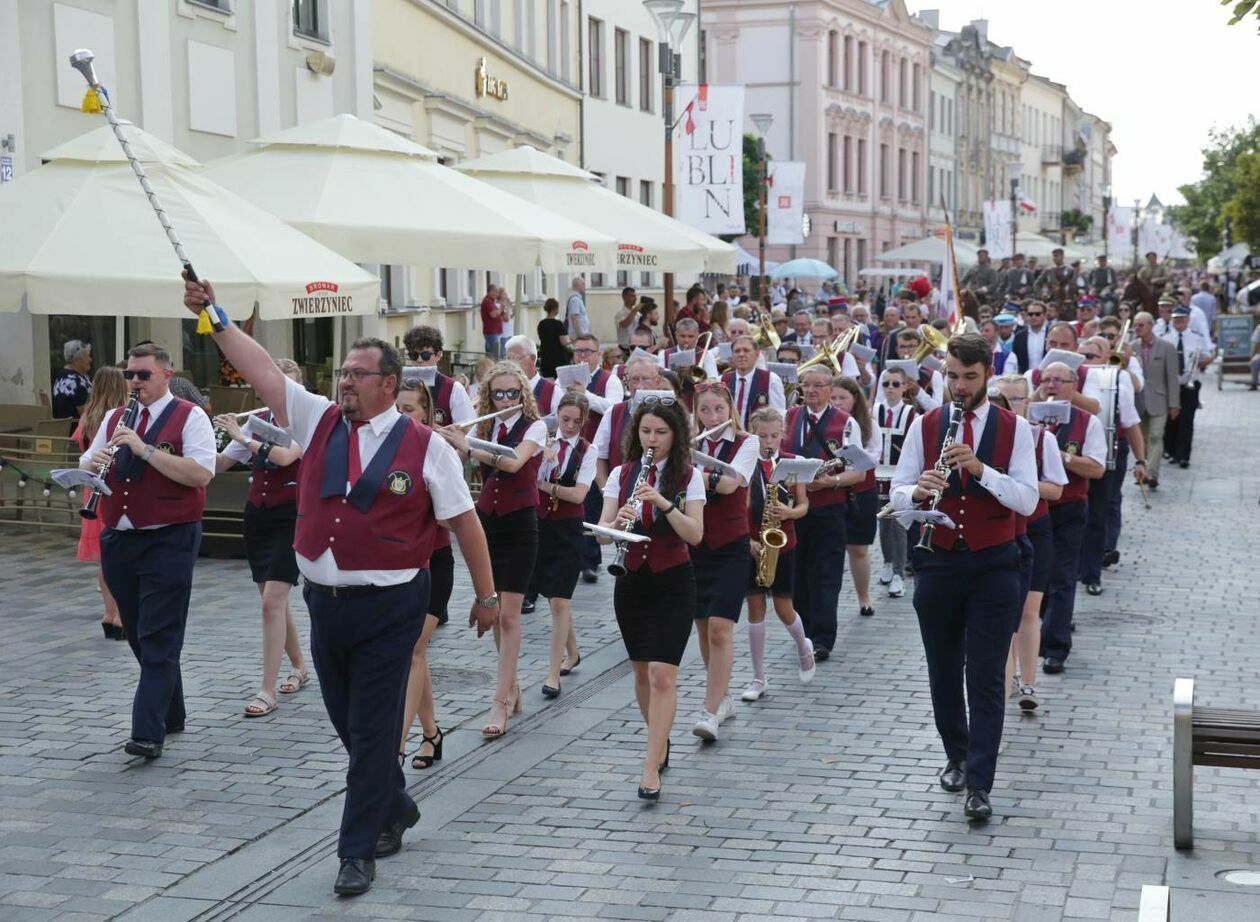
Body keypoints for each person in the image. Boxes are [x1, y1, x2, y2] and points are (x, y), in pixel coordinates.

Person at [185, 273, 498, 897]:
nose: (345, 381)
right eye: (343, 373)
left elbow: (464, 521)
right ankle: (397, 803)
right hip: (324, 604)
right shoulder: (317, 417)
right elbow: (262, 372)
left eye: (357, 374)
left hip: (390, 605)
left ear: (390, 384)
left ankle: (356, 852)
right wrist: (215, 317)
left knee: (375, 729)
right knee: (349, 725)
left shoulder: (427, 447)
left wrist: (486, 597)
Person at [888, 333, 1039, 821]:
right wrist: (916, 494)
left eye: (969, 378)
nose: (958, 386)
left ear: (987, 373)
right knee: (943, 668)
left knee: (986, 676)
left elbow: (1028, 500)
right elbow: (896, 493)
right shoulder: (926, 424)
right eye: (952, 375)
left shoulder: (1015, 429)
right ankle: (955, 753)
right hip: (938, 563)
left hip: (995, 564)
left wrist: (981, 470)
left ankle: (980, 782)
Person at [78, 343, 216, 759]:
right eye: (130, 375)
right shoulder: (114, 417)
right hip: (120, 536)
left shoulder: (191, 417)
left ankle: (147, 731)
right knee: (137, 632)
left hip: (169, 536)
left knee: (159, 633)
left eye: (143, 374)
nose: (135, 382)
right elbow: (86, 459)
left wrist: (144, 449)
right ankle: (171, 711)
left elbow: (200, 473)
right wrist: (93, 460)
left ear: (166, 374)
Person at [595, 395, 705, 799]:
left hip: (674, 579)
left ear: (675, 436)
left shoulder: (688, 476)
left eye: (661, 432)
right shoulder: (622, 474)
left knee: (663, 674)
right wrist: (617, 523)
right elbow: (603, 529)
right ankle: (659, 741)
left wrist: (661, 503)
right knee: (642, 673)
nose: (652, 439)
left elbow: (695, 534)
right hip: (632, 581)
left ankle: (649, 764)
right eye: (645, 431)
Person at [440, 361, 544, 739]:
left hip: (519, 525)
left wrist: (470, 446)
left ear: (522, 394)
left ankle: (499, 702)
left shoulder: (536, 426)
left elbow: (515, 463)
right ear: (488, 396)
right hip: (487, 523)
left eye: (512, 393)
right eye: (497, 393)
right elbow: (461, 463)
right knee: (495, 611)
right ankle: (511, 685)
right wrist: (449, 442)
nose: (505, 399)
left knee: (511, 616)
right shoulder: (485, 426)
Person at [214, 359, 309, 718]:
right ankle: (299, 666)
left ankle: (267, 689)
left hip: (291, 517)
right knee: (275, 603)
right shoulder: (259, 423)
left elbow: (286, 457)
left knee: (272, 602)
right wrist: (202, 440)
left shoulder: (306, 422)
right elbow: (220, 465)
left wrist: (243, 436)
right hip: (258, 516)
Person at [689, 381, 759, 741]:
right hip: (696, 542)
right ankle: (723, 696)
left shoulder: (747, 442)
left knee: (720, 627)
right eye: (705, 410)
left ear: (729, 408)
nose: (712, 417)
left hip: (731, 544)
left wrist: (687, 473)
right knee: (702, 627)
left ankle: (710, 709)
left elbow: (732, 483)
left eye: (718, 409)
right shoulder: (692, 444)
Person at [993, 374, 1066, 712]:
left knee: (1028, 612)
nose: (1009, 405)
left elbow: (1056, 489)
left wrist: (1020, 483)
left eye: (1017, 399)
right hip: (999, 530)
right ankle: (1004, 684)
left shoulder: (1040, 438)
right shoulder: (986, 439)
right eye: (1002, 398)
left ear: (1027, 401)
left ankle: (1029, 685)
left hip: (1034, 528)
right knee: (1003, 615)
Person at [782, 365, 863, 661]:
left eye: (818, 385)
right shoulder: (788, 418)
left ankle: (823, 639)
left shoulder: (846, 423)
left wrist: (833, 481)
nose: (811, 391)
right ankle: (803, 633)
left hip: (829, 509)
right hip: (795, 509)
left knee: (825, 574)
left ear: (830, 389)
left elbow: (860, 470)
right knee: (797, 573)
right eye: (806, 385)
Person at [392, 380, 452, 772]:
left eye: (409, 409)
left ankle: (395, 749)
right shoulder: (379, 446)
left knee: (411, 650)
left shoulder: (435, 448)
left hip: (435, 560)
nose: (401, 415)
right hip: (397, 565)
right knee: (417, 653)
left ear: (426, 414)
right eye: (397, 407)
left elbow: (453, 517)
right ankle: (431, 732)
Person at [1033, 361, 1106, 675]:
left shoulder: (1087, 422)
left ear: (1074, 386)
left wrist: (1059, 454)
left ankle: (1055, 647)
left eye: (1058, 380)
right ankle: (1039, 632)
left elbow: (1097, 468)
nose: (1051, 386)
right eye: (1046, 380)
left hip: (1069, 508)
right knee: (1038, 578)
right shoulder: (1028, 418)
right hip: (1034, 509)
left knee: (1062, 578)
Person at [740, 407, 815, 702]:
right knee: (754, 608)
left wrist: (788, 512)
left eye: (774, 435)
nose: (768, 441)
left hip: (783, 543)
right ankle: (759, 678)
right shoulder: (745, 464)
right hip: (753, 543)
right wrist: (748, 540)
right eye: (762, 436)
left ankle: (803, 647)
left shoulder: (793, 463)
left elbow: (804, 506)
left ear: (782, 434)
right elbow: (738, 508)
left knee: (784, 609)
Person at [531, 393, 596, 697]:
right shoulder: (542, 443)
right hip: (541, 525)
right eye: (564, 419)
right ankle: (573, 652)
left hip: (568, 530)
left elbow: (579, 495)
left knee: (560, 600)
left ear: (584, 422)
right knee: (553, 596)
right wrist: (541, 464)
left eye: (575, 421)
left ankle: (553, 673)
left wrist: (544, 485)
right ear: (556, 415)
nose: (569, 426)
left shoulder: (588, 451)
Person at [72, 366, 128, 639]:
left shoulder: (88, 416)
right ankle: (120, 616)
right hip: (114, 487)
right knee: (119, 554)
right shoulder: (123, 417)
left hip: (90, 484)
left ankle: (108, 614)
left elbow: (83, 450)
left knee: (105, 557)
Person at [566, 333, 625, 584]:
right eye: (578, 351)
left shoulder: (609, 379)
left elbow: (613, 407)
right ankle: (574, 557)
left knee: (591, 506)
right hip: (570, 448)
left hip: (595, 450)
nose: (582, 356)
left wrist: (585, 394)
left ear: (598, 354)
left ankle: (590, 562)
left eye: (587, 351)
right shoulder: (565, 378)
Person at [829, 375, 880, 618]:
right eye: (833, 398)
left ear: (854, 399)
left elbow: (873, 455)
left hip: (861, 491)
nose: (838, 402)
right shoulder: (827, 422)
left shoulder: (866, 421)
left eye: (843, 398)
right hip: (833, 491)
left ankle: (864, 596)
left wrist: (848, 456)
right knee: (831, 549)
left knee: (858, 548)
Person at [872, 367, 915, 599]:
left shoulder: (910, 413)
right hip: (879, 475)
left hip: (901, 475)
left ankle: (899, 573)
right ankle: (888, 562)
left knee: (899, 524)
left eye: (895, 384)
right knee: (884, 522)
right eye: (886, 383)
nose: (890, 388)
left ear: (905, 386)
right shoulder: (875, 410)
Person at [1131, 311, 1180, 489]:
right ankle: (1142, 471)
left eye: (1141, 325)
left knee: (1156, 436)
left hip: (1159, 400)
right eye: (1135, 325)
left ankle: (1152, 474)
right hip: (1138, 402)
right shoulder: (1131, 347)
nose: (1137, 328)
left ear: (1151, 326)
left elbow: (1172, 378)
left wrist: (1174, 403)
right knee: (1141, 439)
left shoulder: (1166, 347)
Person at [1161, 305, 1213, 469]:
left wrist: (1198, 362)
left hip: (1190, 384)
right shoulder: (1165, 338)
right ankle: (1171, 452)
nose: (1179, 322)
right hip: (1171, 384)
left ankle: (1184, 456)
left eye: (1182, 319)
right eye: (1176, 319)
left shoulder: (1197, 338)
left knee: (1187, 421)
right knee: (1171, 420)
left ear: (1188, 320)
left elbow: (1208, 356)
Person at [402, 325, 476, 428]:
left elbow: (468, 430)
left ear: (438, 355)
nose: (419, 360)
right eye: (413, 355)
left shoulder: (454, 389)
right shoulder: (399, 386)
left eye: (425, 355)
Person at [722, 334, 786, 427]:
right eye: (737, 351)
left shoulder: (771, 380)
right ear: (732, 355)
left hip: (758, 438)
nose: (741, 354)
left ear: (756, 354)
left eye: (746, 350)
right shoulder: (722, 380)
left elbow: (779, 415)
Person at [505, 335, 560, 417]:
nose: (511, 364)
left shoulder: (554, 391)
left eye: (517, 358)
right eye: (508, 359)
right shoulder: (501, 389)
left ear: (533, 358)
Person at [53, 339, 94, 421]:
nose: (90, 360)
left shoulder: (61, 377)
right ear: (76, 361)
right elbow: (86, 416)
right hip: (75, 429)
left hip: (64, 428)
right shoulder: (75, 382)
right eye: (87, 356)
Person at [537, 297, 571, 378]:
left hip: (545, 358)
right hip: (558, 359)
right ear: (555, 309)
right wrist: (572, 340)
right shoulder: (558, 324)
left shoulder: (541, 324)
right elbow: (564, 342)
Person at [480, 282, 505, 357]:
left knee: (491, 354)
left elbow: (498, 314)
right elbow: (493, 314)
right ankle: (493, 368)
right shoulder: (487, 301)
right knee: (495, 355)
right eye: (496, 292)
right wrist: (500, 309)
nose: (497, 294)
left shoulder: (491, 301)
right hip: (491, 332)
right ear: (491, 291)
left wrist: (501, 310)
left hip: (494, 332)